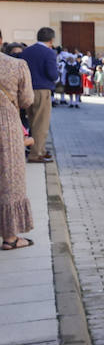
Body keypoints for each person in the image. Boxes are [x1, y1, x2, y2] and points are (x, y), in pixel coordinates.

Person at [0, 38, 35, 250]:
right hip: (7, 127)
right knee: (9, 180)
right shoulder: (15, 65)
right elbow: (27, 100)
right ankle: (10, 238)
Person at [19, 27, 58, 163]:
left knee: (32, 122)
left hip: (27, 90)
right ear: (51, 39)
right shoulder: (49, 53)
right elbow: (53, 74)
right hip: (42, 90)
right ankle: (36, 153)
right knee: (41, 124)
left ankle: (38, 149)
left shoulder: (26, 51)